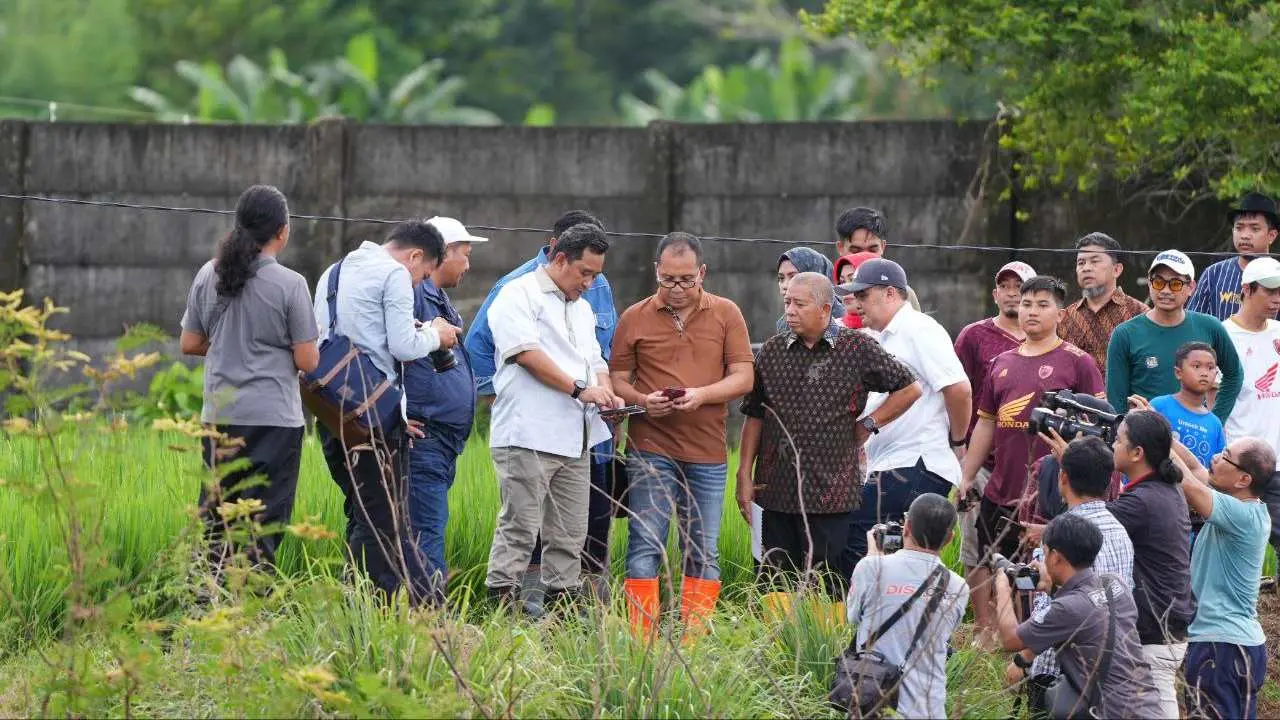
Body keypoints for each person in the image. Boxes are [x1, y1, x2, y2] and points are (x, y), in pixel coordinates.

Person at [464, 210, 618, 599]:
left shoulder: (581, 308)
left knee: (570, 533)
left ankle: (559, 618)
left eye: (596, 275)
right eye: (584, 273)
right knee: (519, 528)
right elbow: (525, 354)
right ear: (559, 258)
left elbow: (596, 360)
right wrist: (581, 389)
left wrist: (606, 391)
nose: (590, 283)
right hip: (528, 434)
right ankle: (502, 611)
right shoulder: (517, 293)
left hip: (576, 438)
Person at [739, 272, 922, 599]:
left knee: (828, 584)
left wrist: (869, 424)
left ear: (825, 309)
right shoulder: (772, 351)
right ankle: (778, 648)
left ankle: (823, 646)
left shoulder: (857, 348)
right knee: (775, 582)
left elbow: (909, 388)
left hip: (832, 495)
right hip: (776, 490)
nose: (790, 311)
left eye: (799, 303)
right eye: (787, 303)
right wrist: (743, 473)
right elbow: (755, 414)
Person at [610, 232, 755, 638]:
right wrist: (642, 400)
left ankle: (693, 643)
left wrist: (702, 396)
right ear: (656, 271)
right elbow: (618, 379)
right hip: (650, 447)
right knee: (644, 545)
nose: (676, 289)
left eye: (686, 280)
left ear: (702, 273)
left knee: (703, 550)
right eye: (668, 279)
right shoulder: (634, 317)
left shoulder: (727, 314)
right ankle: (643, 643)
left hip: (707, 451)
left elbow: (744, 376)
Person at [314, 219, 462, 603]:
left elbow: (345, 341)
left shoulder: (334, 271)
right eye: (424, 274)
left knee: (363, 514)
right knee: (385, 523)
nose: (419, 284)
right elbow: (403, 347)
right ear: (415, 256)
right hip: (371, 423)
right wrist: (437, 335)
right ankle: (408, 613)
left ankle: (361, 608)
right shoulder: (394, 274)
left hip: (333, 415)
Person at [180, 184, 319, 577]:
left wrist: (230, 346)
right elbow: (307, 359)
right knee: (262, 525)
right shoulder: (291, 284)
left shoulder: (209, 273)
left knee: (217, 522)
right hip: (273, 420)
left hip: (220, 417)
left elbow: (190, 342)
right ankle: (249, 620)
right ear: (283, 231)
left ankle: (209, 613)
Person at [959, 275, 1104, 643]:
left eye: (1042, 305)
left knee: (1048, 581)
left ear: (1060, 313)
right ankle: (1002, 642)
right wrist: (966, 476)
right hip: (1001, 491)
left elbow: (1099, 429)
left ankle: (1045, 649)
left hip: (1053, 497)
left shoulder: (1078, 363)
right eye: (1026, 304)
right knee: (1000, 570)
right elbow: (985, 425)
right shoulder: (1001, 362)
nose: (1032, 312)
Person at [835, 259, 973, 570]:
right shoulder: (882, 336)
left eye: (863, 295)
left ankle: (863, 617)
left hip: (915, 463)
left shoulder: (918, 328)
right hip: (894, 463)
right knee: (893, 555)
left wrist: (958, 440)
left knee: (857, 540)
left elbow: (959, 390)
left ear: (890, 294)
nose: (856, 304)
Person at [1011, 436, 1136, 714]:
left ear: (1062, 477)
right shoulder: (1120, 530)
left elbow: (1047, 611)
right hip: (1108, 671)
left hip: (1061, 673)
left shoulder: (1063, 535)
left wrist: (1025, 659)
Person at [993, 513, 1160, 719]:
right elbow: (1089, 610)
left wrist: (1002, 586)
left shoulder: (1067, 609)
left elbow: (1009, 639)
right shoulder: (1115, 584)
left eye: (1045, 553)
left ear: (1055, 557)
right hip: (1147, 706)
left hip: (1112, 713)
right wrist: (1052, 587)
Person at [402, 216, 486, 598]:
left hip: (441, 441)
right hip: (425, 438)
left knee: (426, 529)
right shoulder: (414, 294)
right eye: (463, 255)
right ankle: (430, 626)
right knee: (425, 533)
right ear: (443, 253)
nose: (468, 265)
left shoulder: (438, 300)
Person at [1168, 430, 1275, 720]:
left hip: (1222, 648)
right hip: (1235, 647)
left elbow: (1188, 483)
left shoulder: (1242, 516)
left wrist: (1151, 435)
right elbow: (1193, 469)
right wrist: (1162, 429)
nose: (1215, 457)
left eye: (1225, 456)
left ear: (1244, 480)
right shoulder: (1240, 507)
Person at [844, 494, 969, 719]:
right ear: (950, 538)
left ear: (906, 527)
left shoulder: (870, 568)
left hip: (871, 704)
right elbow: (943, 633)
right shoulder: (959, 587)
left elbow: (853, 617)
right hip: (928, 709)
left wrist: (874, 557)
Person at [1106, 410, 1196, 718]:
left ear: (1137, 453)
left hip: (1154, 630)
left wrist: (1078, 470)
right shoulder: (1166, 489)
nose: (1112, 446)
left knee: (1156, 709)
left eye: (1118, 440)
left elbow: (1086, 523)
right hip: (1169, 622)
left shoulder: (1141, 501)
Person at [953, 261, 1034, 577]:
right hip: (983, 461)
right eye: (1006, 286)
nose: (1012, 294)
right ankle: (982, 626)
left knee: (1026, 547)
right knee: (977, 548)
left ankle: (1016, 622)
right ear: (994, 294)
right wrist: (961, 454)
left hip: (1032, 464)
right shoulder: (974, 336)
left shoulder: (1049, 338)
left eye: (1020, 287)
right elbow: (955, 392)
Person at [1106, 249, 1243, 423]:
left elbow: (1234, 375)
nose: (1165, 290)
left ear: (1191, 287)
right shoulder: (1124, 334)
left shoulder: (1210, 326)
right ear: (1149, 283)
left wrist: (1214, 421)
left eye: (1175, 284)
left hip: (1193, 437)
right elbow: (1116, 402)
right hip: (1145, 437)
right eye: (1158, 282)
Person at [1222, 257, 1280, 572]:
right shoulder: (1223, 335)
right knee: (1238, 544)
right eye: (1269, 292)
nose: (1277, 300)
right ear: (1247, 289)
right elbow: (1213, 400)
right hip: (1239, 460)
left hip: (1278, 457)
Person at [1058, 232, 1149, 377]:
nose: (1086, 268)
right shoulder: (1065, 317)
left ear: (1117, 269)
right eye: (1081, 263)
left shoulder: (1141, 314)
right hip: (1076, 399)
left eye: (1095, 261)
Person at [1188, 192, 1279, 320]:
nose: (1245, 235)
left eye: (1254, 229)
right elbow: (1193, 323)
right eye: (1239, 228)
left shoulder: (1278, 277)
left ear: (1272, 235)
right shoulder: (1213, 274)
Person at [1149, 342, 1226, 471]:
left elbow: (1217, 470)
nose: (1204, 373)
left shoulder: (1215, 424)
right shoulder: (1159, 406)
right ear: (1178, 373)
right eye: (1196, 366)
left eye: (1210, 367)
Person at [832, 206, 922, 310]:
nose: (865, 258)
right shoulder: (829, 297)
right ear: (840, 248)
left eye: (872, 250)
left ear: (883, 247)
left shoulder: (902, 294)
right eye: (856, 251)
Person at [775, 246, 846, 332]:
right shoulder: (784, 324)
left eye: (793, 277)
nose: (785, 285)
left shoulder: (842, 321)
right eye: (781, 278)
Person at [832, 251, 878, 329]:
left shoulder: (890, 330)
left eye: (853, 280)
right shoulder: (832, 329)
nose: (846, 288)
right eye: (842, 281)